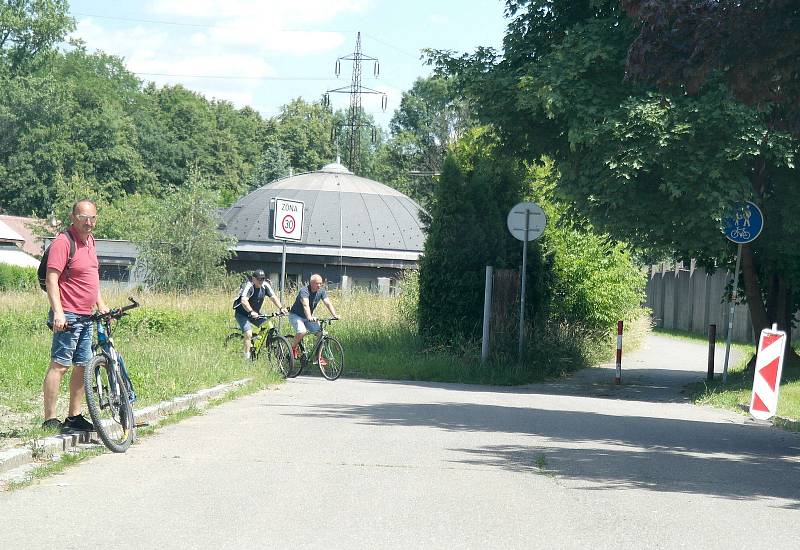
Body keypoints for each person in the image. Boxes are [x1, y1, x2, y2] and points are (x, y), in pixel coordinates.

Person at [42, 199, 109, 434]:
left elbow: (92, 278)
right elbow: (52, 280)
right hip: (68, 314)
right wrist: (58, 312)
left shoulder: (90, 241)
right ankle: (50, 419)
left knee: (82, 365)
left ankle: (74, 416)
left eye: (92, 218)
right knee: (60, 365)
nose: (89, 223)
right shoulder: (63, 242)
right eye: (83, 218)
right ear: (73, 218)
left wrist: (101, 305)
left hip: (86, 315)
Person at [233, 269, 287, 359]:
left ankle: (256, 345)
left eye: (263, 279)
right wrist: (251, 311)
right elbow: (244, 301)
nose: (261, 281)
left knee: (268, 324)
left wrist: (281, 308)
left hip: (256, 314)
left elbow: (273, 297)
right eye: (259, 279)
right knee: (248, 333)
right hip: (242, 314)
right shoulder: (249, 286)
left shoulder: (265, 285)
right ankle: (246, 359)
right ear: (253, 279)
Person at [289, 274, 340, 361]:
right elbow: (305, 305)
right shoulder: (304, 291)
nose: (319, 285)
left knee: (321, 334)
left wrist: (334, 315)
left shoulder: (321, 291)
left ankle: (317, 357)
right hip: (296, 316)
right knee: (302, 331)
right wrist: (309, 317)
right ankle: (292, 348)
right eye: (317, 283)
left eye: (320, 283)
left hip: (308, 317)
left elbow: (328, 303)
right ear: (311, 283)